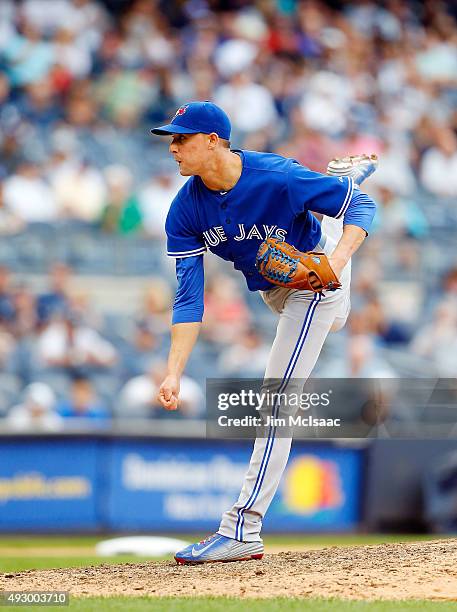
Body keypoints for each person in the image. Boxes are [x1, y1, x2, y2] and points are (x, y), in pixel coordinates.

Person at [151, 101, 377, 564]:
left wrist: (334, 264)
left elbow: (366, 208)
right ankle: (343, 180)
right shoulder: (185, 210)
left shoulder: (276, 174)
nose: (172, 148)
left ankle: (242, 528)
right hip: (275, 287)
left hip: (318, 274)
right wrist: (174, 371)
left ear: (214, 141)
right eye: (171, 139)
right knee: (335, 320)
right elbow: (190, 300)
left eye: (181, 138)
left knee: (276, 397)